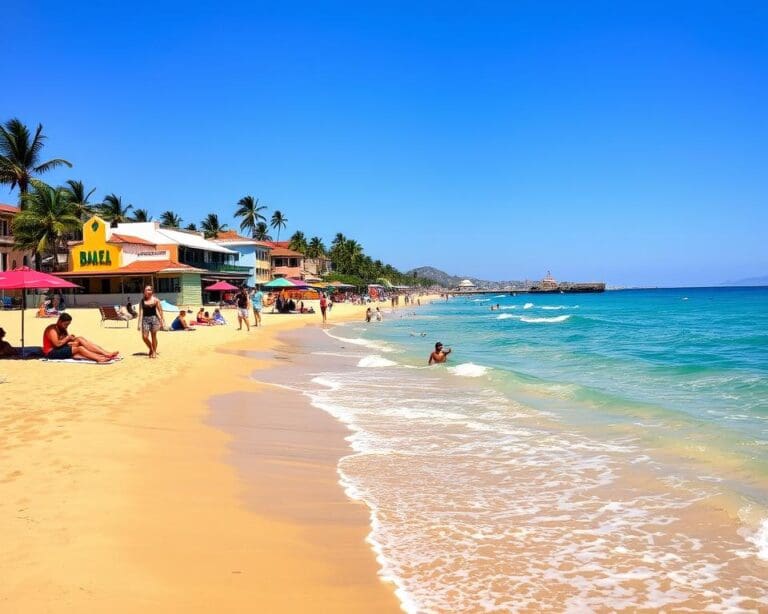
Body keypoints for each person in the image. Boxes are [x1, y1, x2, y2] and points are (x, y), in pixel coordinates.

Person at [43, 313, 119, 362]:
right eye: (65, 324)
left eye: (68, 325)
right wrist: (67, 338)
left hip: (60, 348)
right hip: (51, 352)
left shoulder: (62, 328)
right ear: (59, 321)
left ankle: (106, 353)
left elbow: (64, 341)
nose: (67, 326)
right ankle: (99, 358)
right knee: (79, 348)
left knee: (80, 339)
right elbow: (57, 344)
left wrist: (72, 341)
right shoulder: (52, 330)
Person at [137, 285, 164, 358]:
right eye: (146, 290)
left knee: (153, 336)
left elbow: (160, 311)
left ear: (152, 291)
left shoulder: (156, 300)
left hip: (154, 319)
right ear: (144, 292)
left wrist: (162, 321)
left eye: (149, 290)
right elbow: (141, 313)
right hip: (145, 320)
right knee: (145, 337)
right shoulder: (142, 301)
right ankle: (151, 348)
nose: (148, 291)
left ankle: (154, 351)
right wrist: (139, 324)